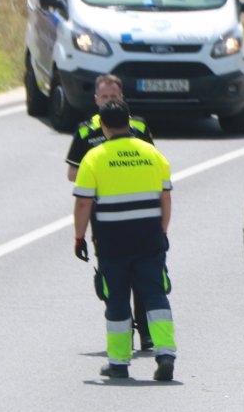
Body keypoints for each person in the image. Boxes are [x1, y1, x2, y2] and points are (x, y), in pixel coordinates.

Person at [72, 100, 176, 381]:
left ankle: (119, 363)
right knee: (155, 294)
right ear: (129, 122)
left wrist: (79, 238)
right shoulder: (153, 154)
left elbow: (83, 204)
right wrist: (162, 231)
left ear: (103, 126)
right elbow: (165, 197)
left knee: (116, 298)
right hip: (149, 237)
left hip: (112, 241)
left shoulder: (93, 157)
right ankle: (165, 353)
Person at [65, 73, 157, 351]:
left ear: (122, 98)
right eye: (104, 97)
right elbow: (72, 172)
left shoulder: (138, 127)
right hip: (104, 214)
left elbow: (153, 163)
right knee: (114, 276)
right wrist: (103, 173)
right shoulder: (85, 131)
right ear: (95, 100)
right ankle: (123, 328)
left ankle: (146, 329)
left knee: (145, 275)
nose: (109, 101)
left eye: (114, 97)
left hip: (141, 211)